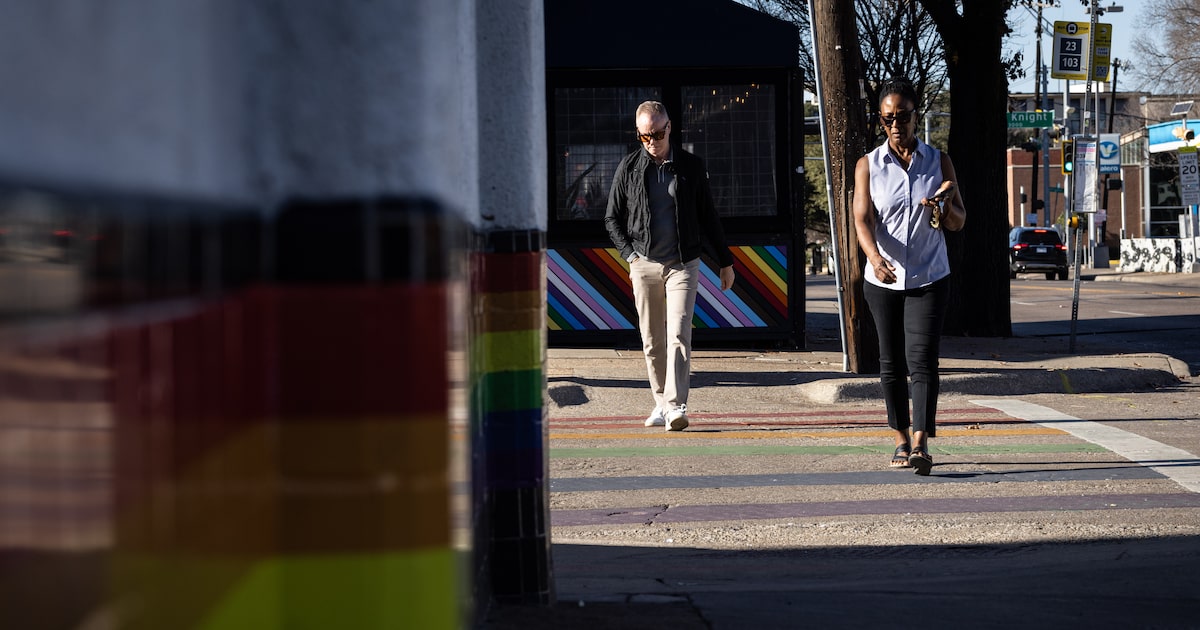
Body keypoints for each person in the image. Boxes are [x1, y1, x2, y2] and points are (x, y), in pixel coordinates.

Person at [851, 77, 966, 475]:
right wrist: (873, 255)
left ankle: (920, 443)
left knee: (923, 361)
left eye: (902, 116)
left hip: (930, 275)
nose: (895, 125)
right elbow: (862, 219)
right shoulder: (868, 164)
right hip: (882, 278)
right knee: (890, 362)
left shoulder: (939, 162)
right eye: (887, 119)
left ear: (917, 116)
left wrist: (944, 203)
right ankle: (899, 438)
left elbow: (958, 221)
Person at [604, 100, 735, 431]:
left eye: (658, 134)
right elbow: (612, 217)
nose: (652, 142)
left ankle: (676, 406)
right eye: (645, 136)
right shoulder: (629, 167)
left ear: (670, 128)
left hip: (683, 263)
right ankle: (660, 402)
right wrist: (630, 256)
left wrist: (725, 261)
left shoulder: (690, 166)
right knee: (651, 339)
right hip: (644, 262)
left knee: (679, 332)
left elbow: (708, 216)